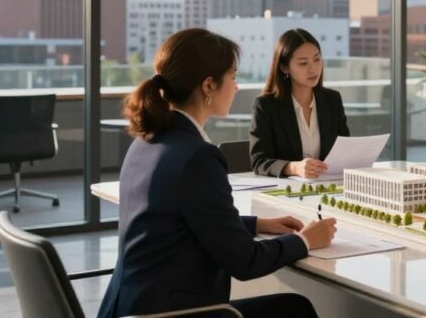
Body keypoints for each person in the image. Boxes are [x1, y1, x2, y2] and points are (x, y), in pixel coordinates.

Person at [97, 28, 336, 318]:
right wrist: (306, 240)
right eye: (232, 77)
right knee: (295, 309)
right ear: (209, 85)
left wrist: (257, 224)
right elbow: (245, 262)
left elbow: (185, 220)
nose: (236, 87)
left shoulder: (147, 139)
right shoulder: (198, 157)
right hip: (171, 314)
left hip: (127, 309)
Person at [250, 28, 349, 178]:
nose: (313, 69)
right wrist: (293, 167)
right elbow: (259, 160)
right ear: (284, 68)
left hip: (329, 187)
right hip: (287, 191)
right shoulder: (266, 106)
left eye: (317, 59)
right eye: (303, 63)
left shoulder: (332, 100)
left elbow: (345, 150)